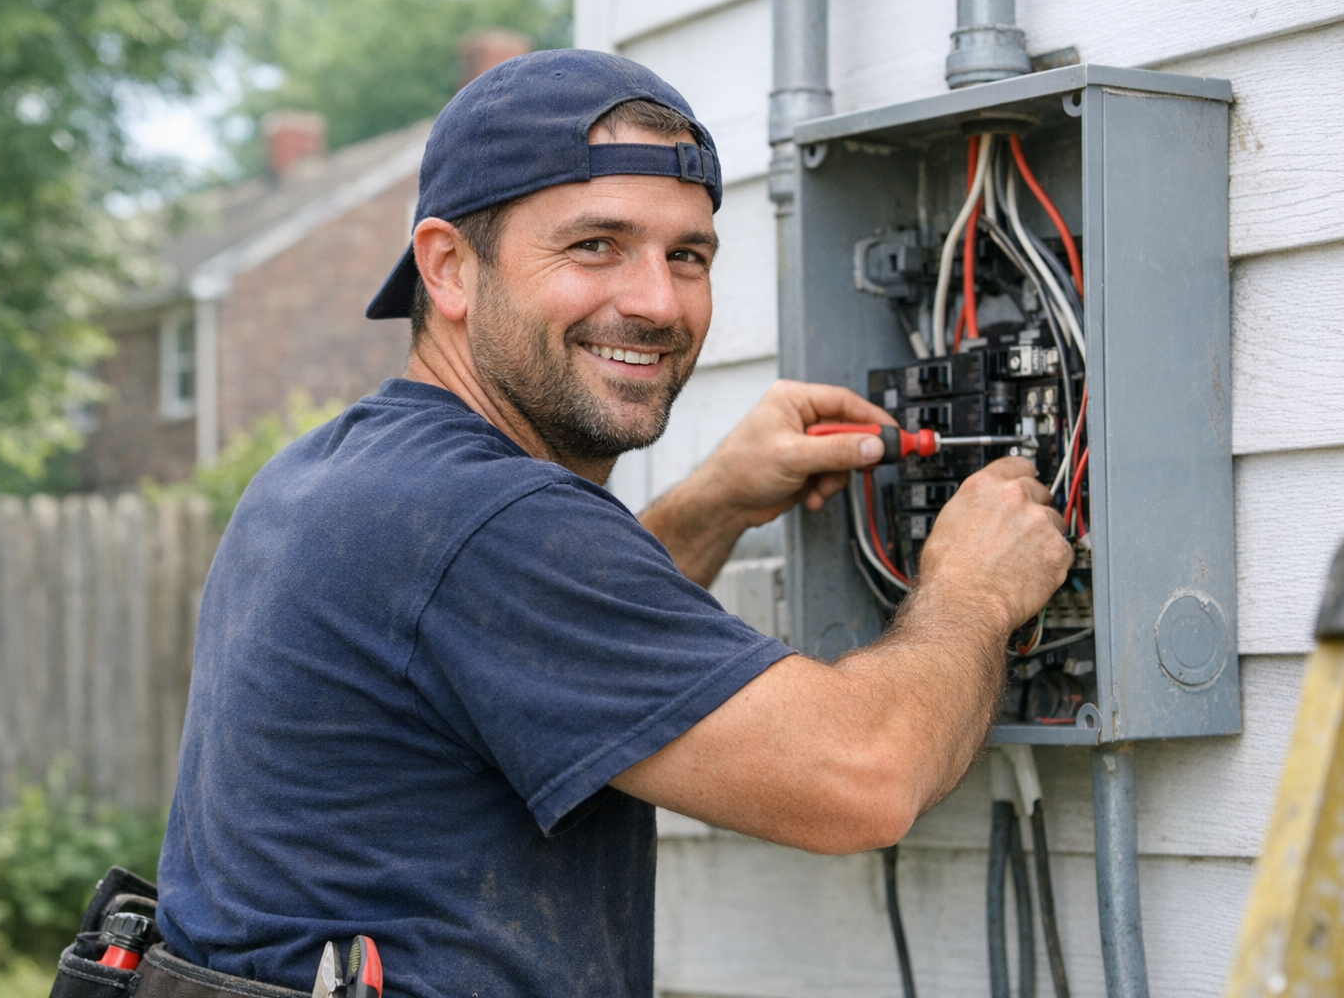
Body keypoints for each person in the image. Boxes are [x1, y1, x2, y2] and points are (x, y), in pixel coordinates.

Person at [154, 50, 1071, 998]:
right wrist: (972, 588)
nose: (656, 303)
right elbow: (865, 778)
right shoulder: (483, 521)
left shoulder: (335, 474)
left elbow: (528, 651)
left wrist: (714, 501)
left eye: (688, 256)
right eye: (595, 245)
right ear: (450, 267)